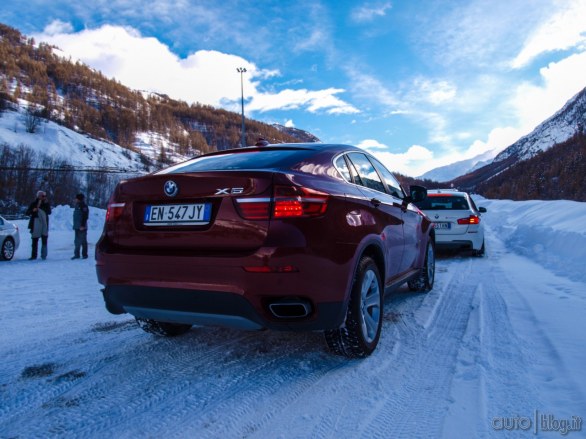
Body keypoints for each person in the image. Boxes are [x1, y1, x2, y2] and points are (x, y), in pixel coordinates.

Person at [25, 190, 51, 260]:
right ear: (38, 196)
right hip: (35, 224)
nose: (44, 197)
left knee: (44, 240)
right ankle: (33, 256)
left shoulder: (46, 204)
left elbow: (49, 212)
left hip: (44, 224)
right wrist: (32, 210)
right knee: (34, 240)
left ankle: (44, 255)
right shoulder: (33, 203)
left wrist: (44, 205)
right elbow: (27, 212)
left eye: (45, 196)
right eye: (42, 196)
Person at [72, 193, 89, 259]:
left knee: (83, 241)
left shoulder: (83, 206)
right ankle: (77, 254)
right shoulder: (77, 205)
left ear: (78, 199)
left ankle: (84, 255)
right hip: (77, 226)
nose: (75, 199)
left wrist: (82, 225)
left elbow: (85, 216)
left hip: (82, 227)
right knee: (77, 241)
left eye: (76, 198)